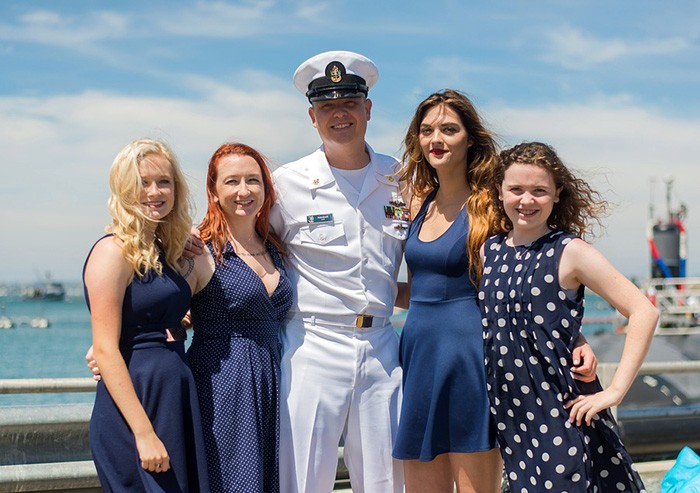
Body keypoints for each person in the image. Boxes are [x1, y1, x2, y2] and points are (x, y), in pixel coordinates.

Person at [393, 90, 597, 493]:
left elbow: (525, 283)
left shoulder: (490, 205)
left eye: (450, 129)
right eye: (427, 130)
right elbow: (419, 291)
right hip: (418, 355)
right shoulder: (417, 203)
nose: (437, 138)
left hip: (471, 356)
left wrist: (576, 335)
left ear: (470, 138)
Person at [479, 141, 658, 492]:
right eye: (516, 189)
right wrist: (575, 336)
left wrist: (616, 391)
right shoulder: (490, 250)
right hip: (510, 414)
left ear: (557, 194)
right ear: (499, 191)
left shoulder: (570, 251)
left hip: (560, 411)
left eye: (539, 191)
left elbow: (643, 310)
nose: (526, 200)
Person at [270, 50, 408, 492]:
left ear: (368, 109)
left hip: (383, 345)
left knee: (389, 480)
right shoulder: (284, 184)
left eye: (349, 102)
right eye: (327, 106)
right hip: (312, 344)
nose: (339, 114)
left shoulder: (402, 178)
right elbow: (233, 249)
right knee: (303, 478)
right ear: (313, 117)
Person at [83, 138, 209, 492]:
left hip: (173, 396)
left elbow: (157, 314)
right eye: (143, 182)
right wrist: (144, 434)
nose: (154, 192)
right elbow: (106, 348)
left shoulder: (163, 250)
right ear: (124, 189)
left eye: (163, 182)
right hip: (136, 405)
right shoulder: (112, 251)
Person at [185, 142, 293, 492]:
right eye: (231, 182)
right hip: (221, 382)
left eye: (253, 180)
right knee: (231, 481)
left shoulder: (275, 246)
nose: (244, 191)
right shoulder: (199, 248)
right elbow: (158, 306)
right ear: (213, 192)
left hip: (274, 378)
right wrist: (108, 346)